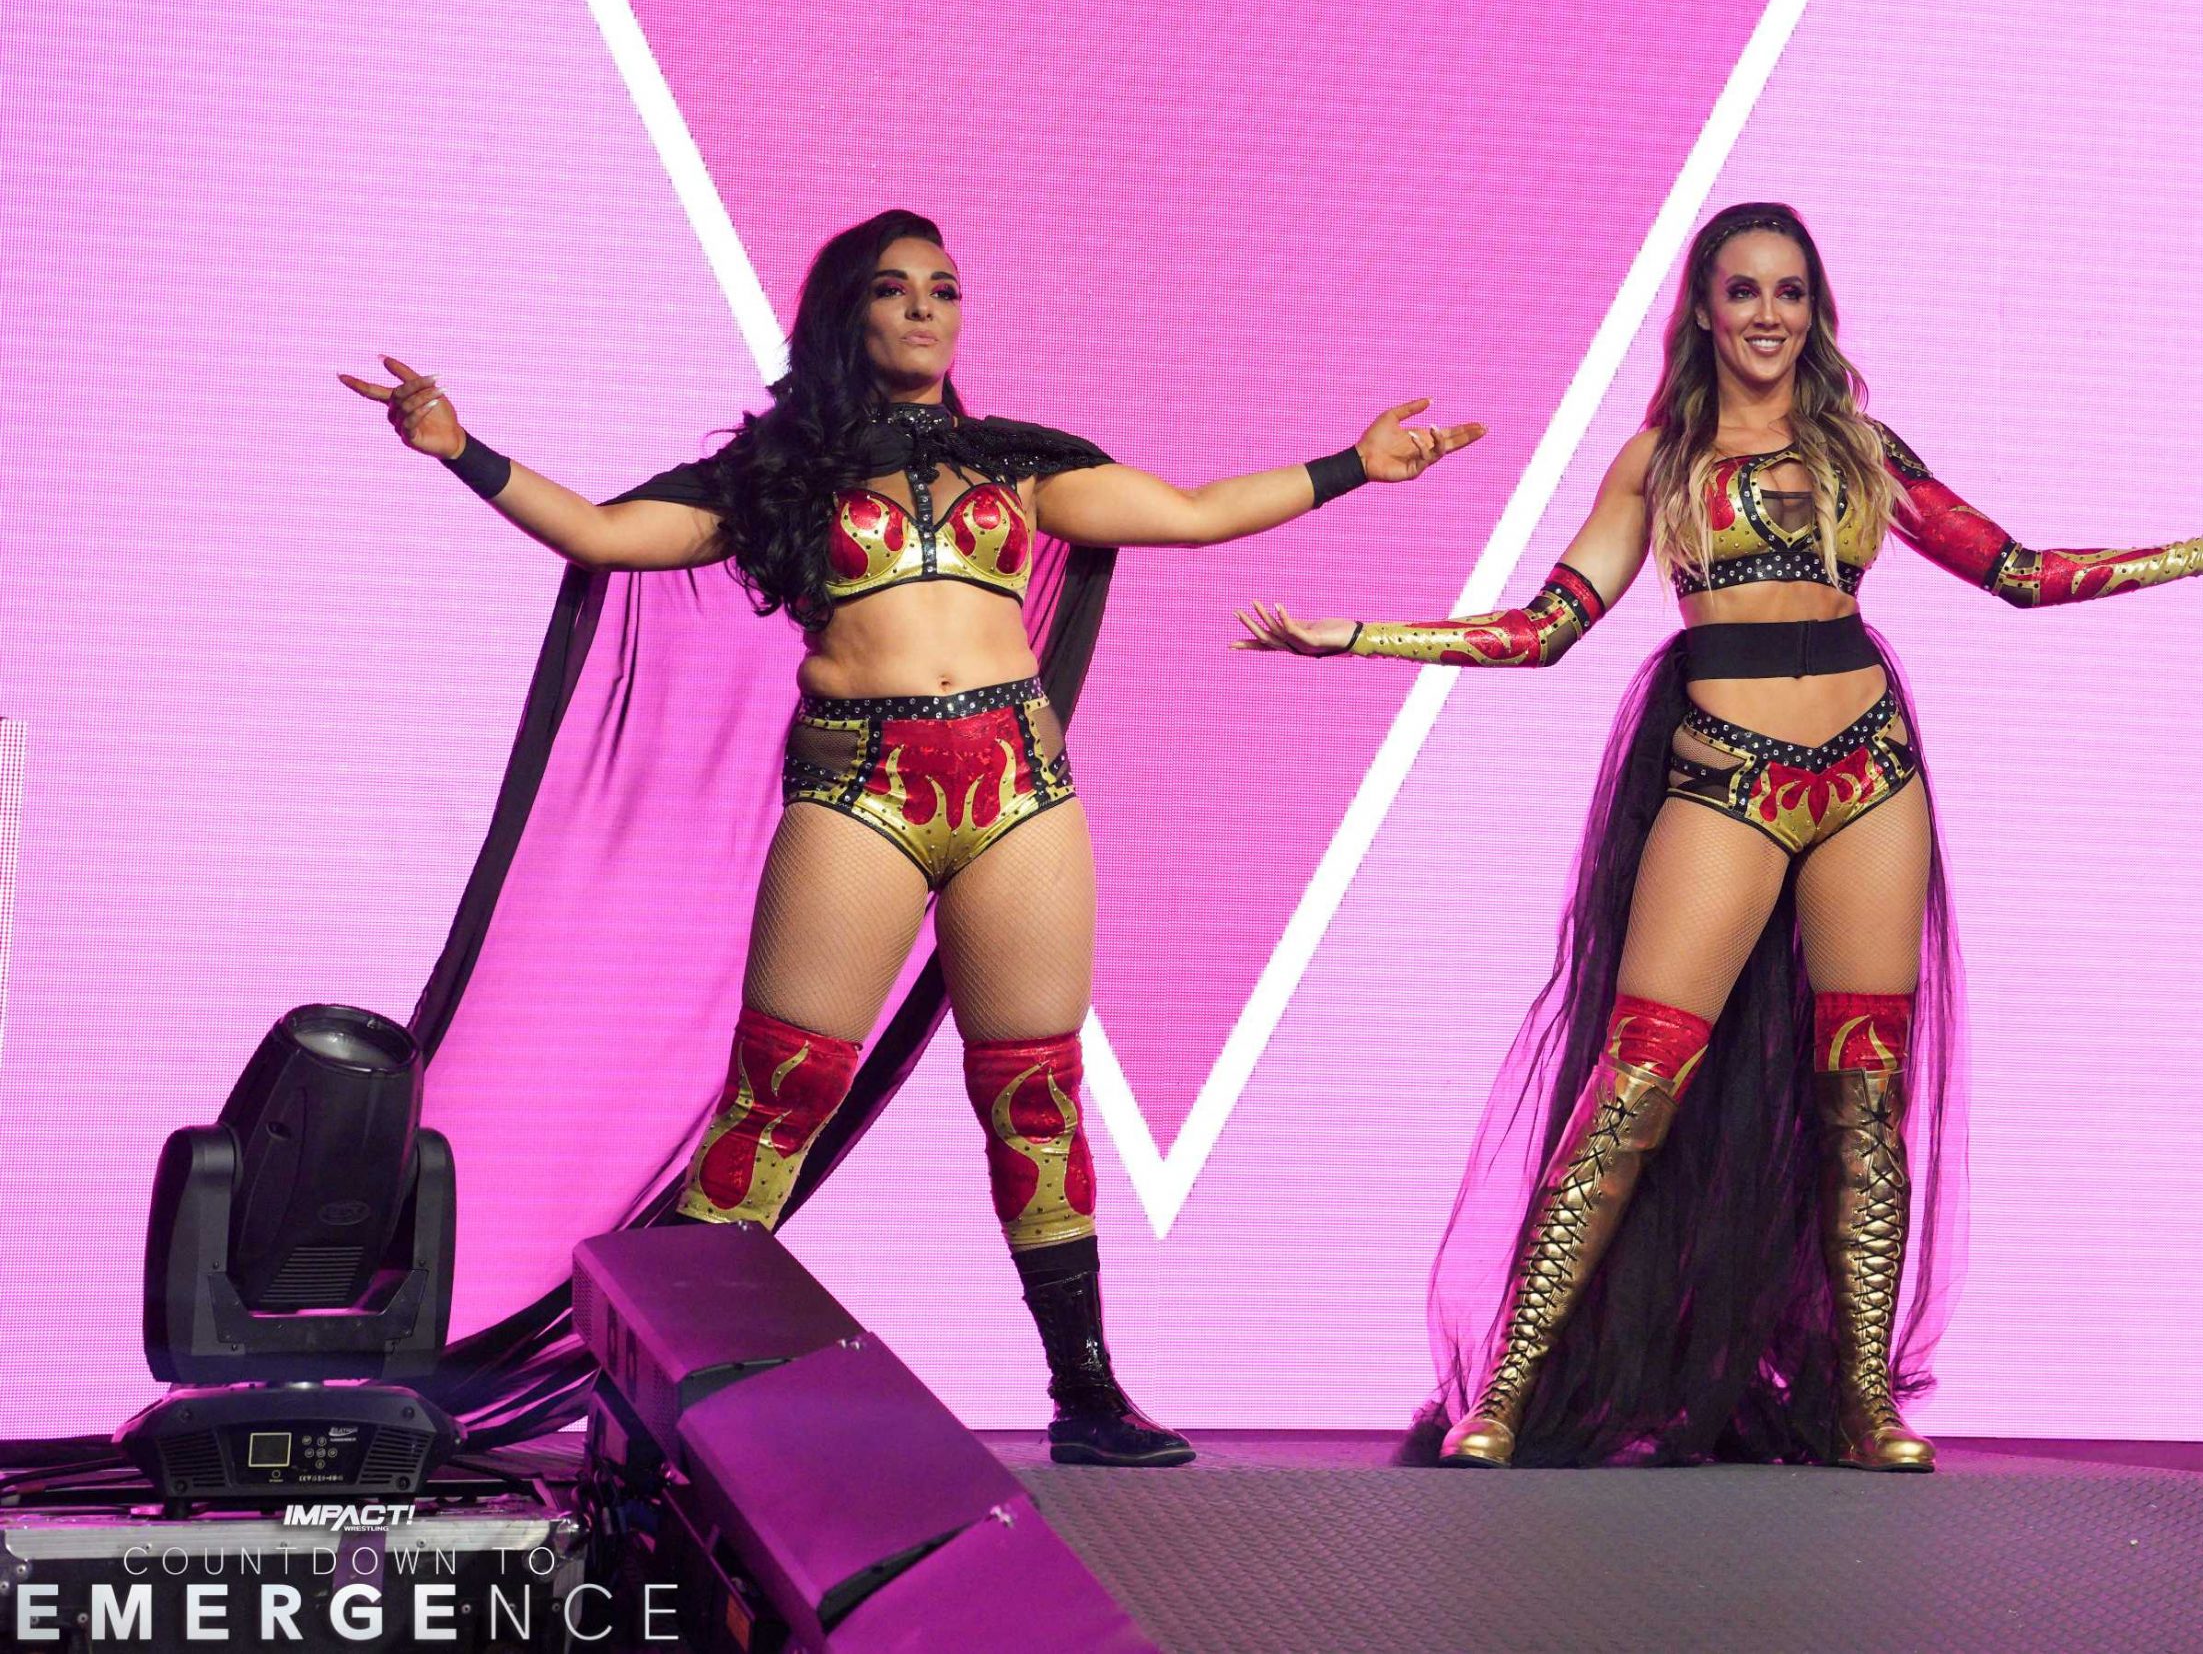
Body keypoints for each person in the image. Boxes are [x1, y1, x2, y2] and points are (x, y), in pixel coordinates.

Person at [345, 208, 1482, 1465]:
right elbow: (605, 535)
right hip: (861, 790)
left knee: (1035, 1096)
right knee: (779, 1097)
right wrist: (461, 450)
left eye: (944, 288)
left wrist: (1354, 465)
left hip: (1019, 790)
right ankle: (656, 1399)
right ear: (851, 314)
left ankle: (1087, 1396)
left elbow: (1196, 512)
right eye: (895, 290)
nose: (927, 308)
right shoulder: (780, 477)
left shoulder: (1017, 463)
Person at [1236, 201, 2203, 1469]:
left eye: (1790, 292)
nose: (1767, 315)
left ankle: (1865, 1403)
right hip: (1725, 776)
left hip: (1869, 771)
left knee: (1864, 1091)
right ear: (1703, 311)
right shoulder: (1658, 463)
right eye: (1743, 290)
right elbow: (1544, 628)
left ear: (1815, 312)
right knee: (1634, 1080)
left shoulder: (1861, 448)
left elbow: (2015, 571)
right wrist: (1355, 637)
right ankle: (1507, 1395)